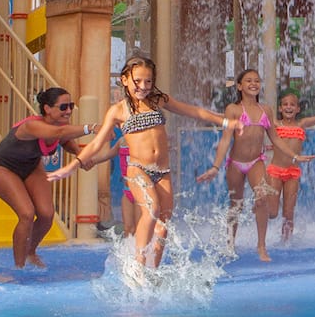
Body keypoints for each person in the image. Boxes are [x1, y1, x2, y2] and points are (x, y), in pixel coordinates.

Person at [50, 57, 234, 268]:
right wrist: (73, 165)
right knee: (151, 209)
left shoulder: (158, 100)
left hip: (162, 171)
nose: (143, 86)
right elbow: (97, 143)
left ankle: (152, 270)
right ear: (125, 79)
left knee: (163, 225)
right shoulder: (118, 110)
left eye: (148, 81)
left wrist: (225, 121)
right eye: (137, 81)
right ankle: (138, 266)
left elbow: (193, 111)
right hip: (138, 169)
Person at [0, 86, 94, 269]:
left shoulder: (59, 127)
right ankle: (19, 266)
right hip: (3, 168)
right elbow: (59, 134)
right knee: (27, 214)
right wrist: (91, 128)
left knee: (46, 215)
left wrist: (79, 153)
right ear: (47, 109)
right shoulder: (32, 125)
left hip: (31, 165)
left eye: (71, 106)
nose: (68, 111)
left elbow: (64, 140)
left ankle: (30, 252)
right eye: (63, 107)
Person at [197, 69, 278, 261]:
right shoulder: (233, 109)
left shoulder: (265, 110)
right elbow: (226, 139)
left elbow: (275, 138)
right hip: (235, 163)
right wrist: (216, 167)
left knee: (262, 198)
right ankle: (230, 244)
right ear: (240, 86)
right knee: (236, 204)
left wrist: (293, 156)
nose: (253, 83)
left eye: (257, 80)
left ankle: (261, 246)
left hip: (256, 161)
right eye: (248, 80)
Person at [262, 91, 315, 251]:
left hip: (292, 173)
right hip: (275, 171)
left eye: (292, 105)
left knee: (288, 213)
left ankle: (286, 243)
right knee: (272, 212)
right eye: (285, 104)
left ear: (298, 109)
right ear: (280, 108)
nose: (288, 107)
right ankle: (260, 210)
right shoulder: (275, 124)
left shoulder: (301, 124)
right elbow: (256, 118)